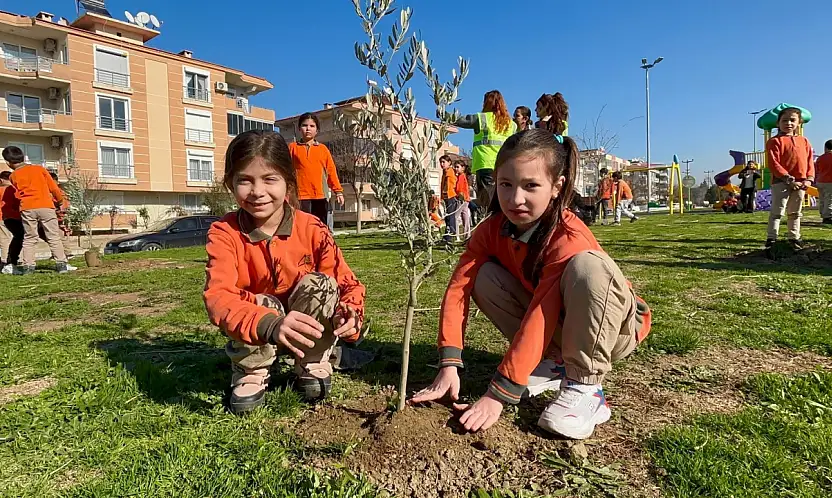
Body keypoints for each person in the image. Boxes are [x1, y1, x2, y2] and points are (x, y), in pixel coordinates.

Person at [409, 130, 651, 439]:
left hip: (613, 331)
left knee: (589, 267)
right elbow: (458, 289)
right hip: (561, 323)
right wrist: (449, 364)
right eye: (506, 185)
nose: (515, 199)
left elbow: (543, 311)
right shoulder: (491, 230)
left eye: (531, 186)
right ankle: (555, 363)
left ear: (556, 187)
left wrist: (499, 393)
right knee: (481, 275)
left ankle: (586, 386)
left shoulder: (567, 236)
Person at [203, 130, 366, 414]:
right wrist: (271, 324)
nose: (257, 192)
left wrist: (350, 314)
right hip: (261, 327)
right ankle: (252, 368)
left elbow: (347, 283)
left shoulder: (313, 228)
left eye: (270, 179)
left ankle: (312, 360)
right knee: (256, 302)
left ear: (289, 184)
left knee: (323, 284)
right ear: (230, 184)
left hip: (306, 326)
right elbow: (219, 297)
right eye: (245, 180)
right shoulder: (224, 233)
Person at [4, 146, 72, 274]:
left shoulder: (13, 176)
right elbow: (53, 188)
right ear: (23, 157)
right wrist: (60, 201)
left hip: (26, 208)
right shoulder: (39, 169)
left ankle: (28, 267)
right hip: (45, 205)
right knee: (53, 236)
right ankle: (61, 264)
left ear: (8, 162)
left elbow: (18, 195)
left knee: (29, 238)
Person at [454, 90, 517, 211]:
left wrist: (443, 114)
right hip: (504, 164)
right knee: (502, 197)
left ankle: (490, 225)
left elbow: (462, 121)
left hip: (486, 164)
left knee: (487, 201)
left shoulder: (482, 118)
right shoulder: (511, 124)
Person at [765, 107, 815, 249]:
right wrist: (788, 178)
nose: (789, 123)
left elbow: (810, 161)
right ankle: (771, 239)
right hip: (781, 182)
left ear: (799, 122)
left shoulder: (804, 141)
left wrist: (809, 178)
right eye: (784, 120)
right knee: (777, 211)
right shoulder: (774, 142)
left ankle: (794, 238)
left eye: (792, 120)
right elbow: (774, 163)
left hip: (801, 183)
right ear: (778, 123)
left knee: (795, 212)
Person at [288, 113, 345, 224]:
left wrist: (338, 192)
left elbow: (331, 171)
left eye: (312, 126)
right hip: (300, 196)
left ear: (317, 130)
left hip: (319, 196)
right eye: (305, 125)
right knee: (302, 227)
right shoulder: (292, 148)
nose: (308, 129)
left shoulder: (322, 149)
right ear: (300, 128)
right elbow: (284, 171)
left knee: (319, 227)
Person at [439, 155, 458, 241]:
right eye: (441, 162)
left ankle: (451, 234)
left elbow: (452, 184)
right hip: (446, 197)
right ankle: (448, 234)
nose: (442, 164)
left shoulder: (450, 172)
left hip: (451, 196)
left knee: (450, 216)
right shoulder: (445, 172)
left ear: (449, 162)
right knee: (447, 216)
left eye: (444, 162)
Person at [816, 139, 832, 225]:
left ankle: (823, 214)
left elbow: (817, 169)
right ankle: (828, 216)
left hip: (820, 181)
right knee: (829, 199)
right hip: (830, 181)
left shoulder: (820, 158)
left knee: (822, 199)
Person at [454, 159, 471, 238]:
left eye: (457, 167)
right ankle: (467, 235)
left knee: (455, 217)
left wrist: (456, 194)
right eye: (455, 167)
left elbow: (458, 188)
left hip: (462, 198)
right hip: (466, 199)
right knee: (465, 216)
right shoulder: (464, 176)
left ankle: (457, 235)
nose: (456, 169)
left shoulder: (461, 176)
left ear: (463, 168)